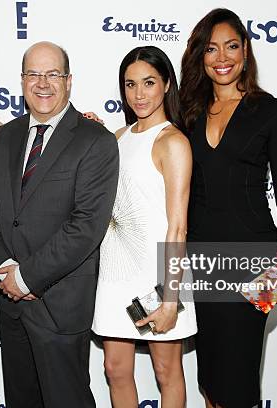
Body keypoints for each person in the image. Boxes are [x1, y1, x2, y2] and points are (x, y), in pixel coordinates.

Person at [179, 8, 277, 408]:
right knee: (212, 377)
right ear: (201, 56)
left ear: (246, 50)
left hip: (256, 262)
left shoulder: (271, 112)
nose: (222, 57)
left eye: (231, 46)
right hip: (202, 261)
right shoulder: (189, 113)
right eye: (212, 49)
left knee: (239, 379)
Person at [0, 41, 119, 408]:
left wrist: (27, 278)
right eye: (34, 74)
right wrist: (6, 268)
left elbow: (86, 226)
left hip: (59, 306)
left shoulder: (96, 141)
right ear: (22, 81)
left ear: (69, 81)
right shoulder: (5, 136)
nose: (43, 83)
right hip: (11, 305)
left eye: (53, 74)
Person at [92, 46, 198, 408]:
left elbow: (178, 227)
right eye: (130, 84)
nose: (139, 94)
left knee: (167, 372)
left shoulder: (174, 142)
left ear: (167, 84)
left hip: (158, 276)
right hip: (115, 273)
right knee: (114, 369)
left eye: (149, 83)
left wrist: (171, 299)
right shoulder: (117, 138)